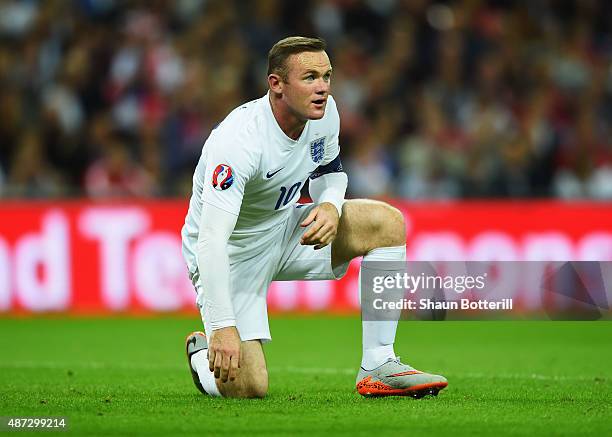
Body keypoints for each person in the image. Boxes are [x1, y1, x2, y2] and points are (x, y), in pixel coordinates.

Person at [181, 36, 447, 398]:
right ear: (276, 84)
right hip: (232, 256)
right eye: (309, 77)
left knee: (386, 223)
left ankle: (379, 364)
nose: (322, 87)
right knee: (251, 387)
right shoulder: (239, 142)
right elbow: (210, 241)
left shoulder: (324, 114)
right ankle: (202, 359)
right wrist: (223, 326)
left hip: (284, 230)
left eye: (327, 76)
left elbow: (331, 172)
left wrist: (330, 204)